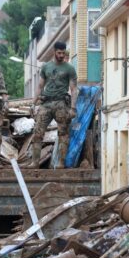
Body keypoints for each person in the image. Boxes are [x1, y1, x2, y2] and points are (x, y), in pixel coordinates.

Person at [29, 41, 78, 169]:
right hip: (46, 103)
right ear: (54, 52)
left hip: (61, 103)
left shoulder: (69, 68)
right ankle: (35, 163)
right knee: (37, 133)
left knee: (63, 133)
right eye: (59, 53)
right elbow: (40, 86)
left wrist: (73, 108)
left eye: (63, 53)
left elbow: (73, 89)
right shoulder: (46, 67)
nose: (61, 55)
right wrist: (33, 104)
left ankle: (61, 163)